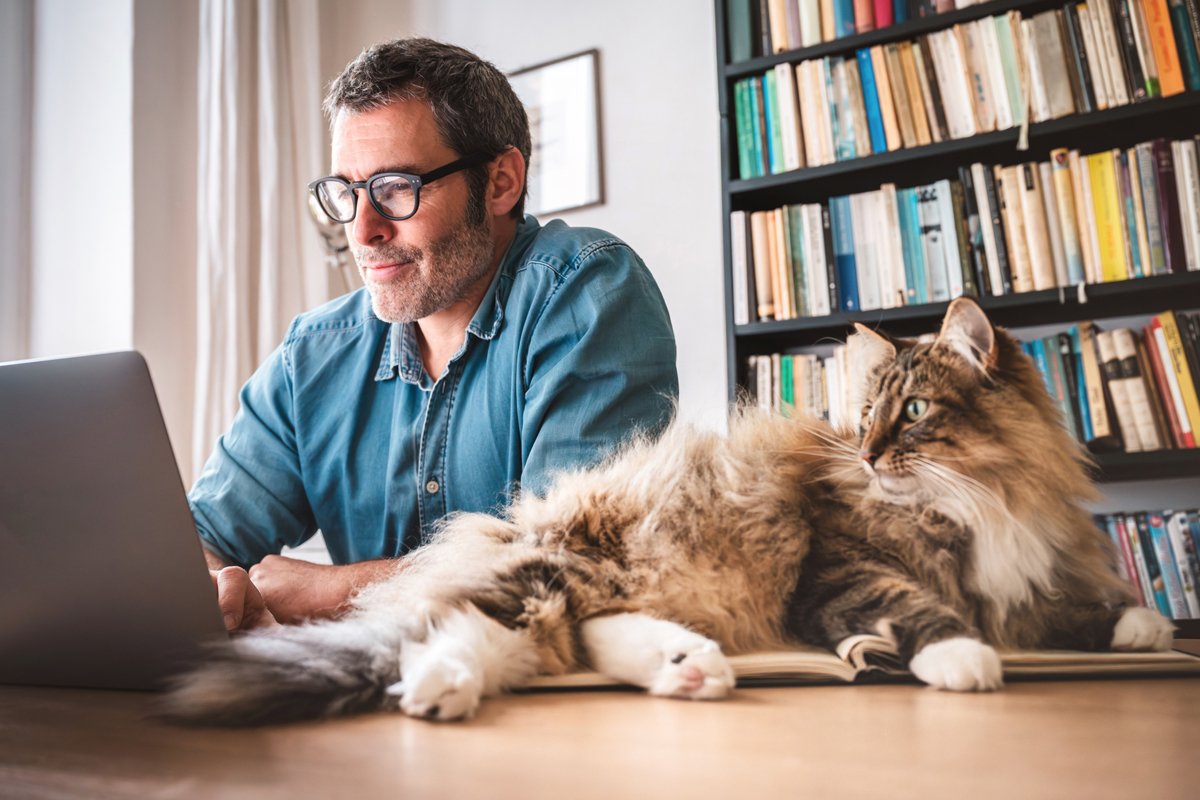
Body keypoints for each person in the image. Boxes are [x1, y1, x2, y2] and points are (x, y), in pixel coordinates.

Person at [190, 38, 678, 632]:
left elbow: (580, 562)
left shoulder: (586, 290)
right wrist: (216, 586)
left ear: (500, 182)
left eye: (395, 187)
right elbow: (202, 537)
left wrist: (333, 592)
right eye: (346, 192)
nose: (363, 230)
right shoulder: (314, 355)